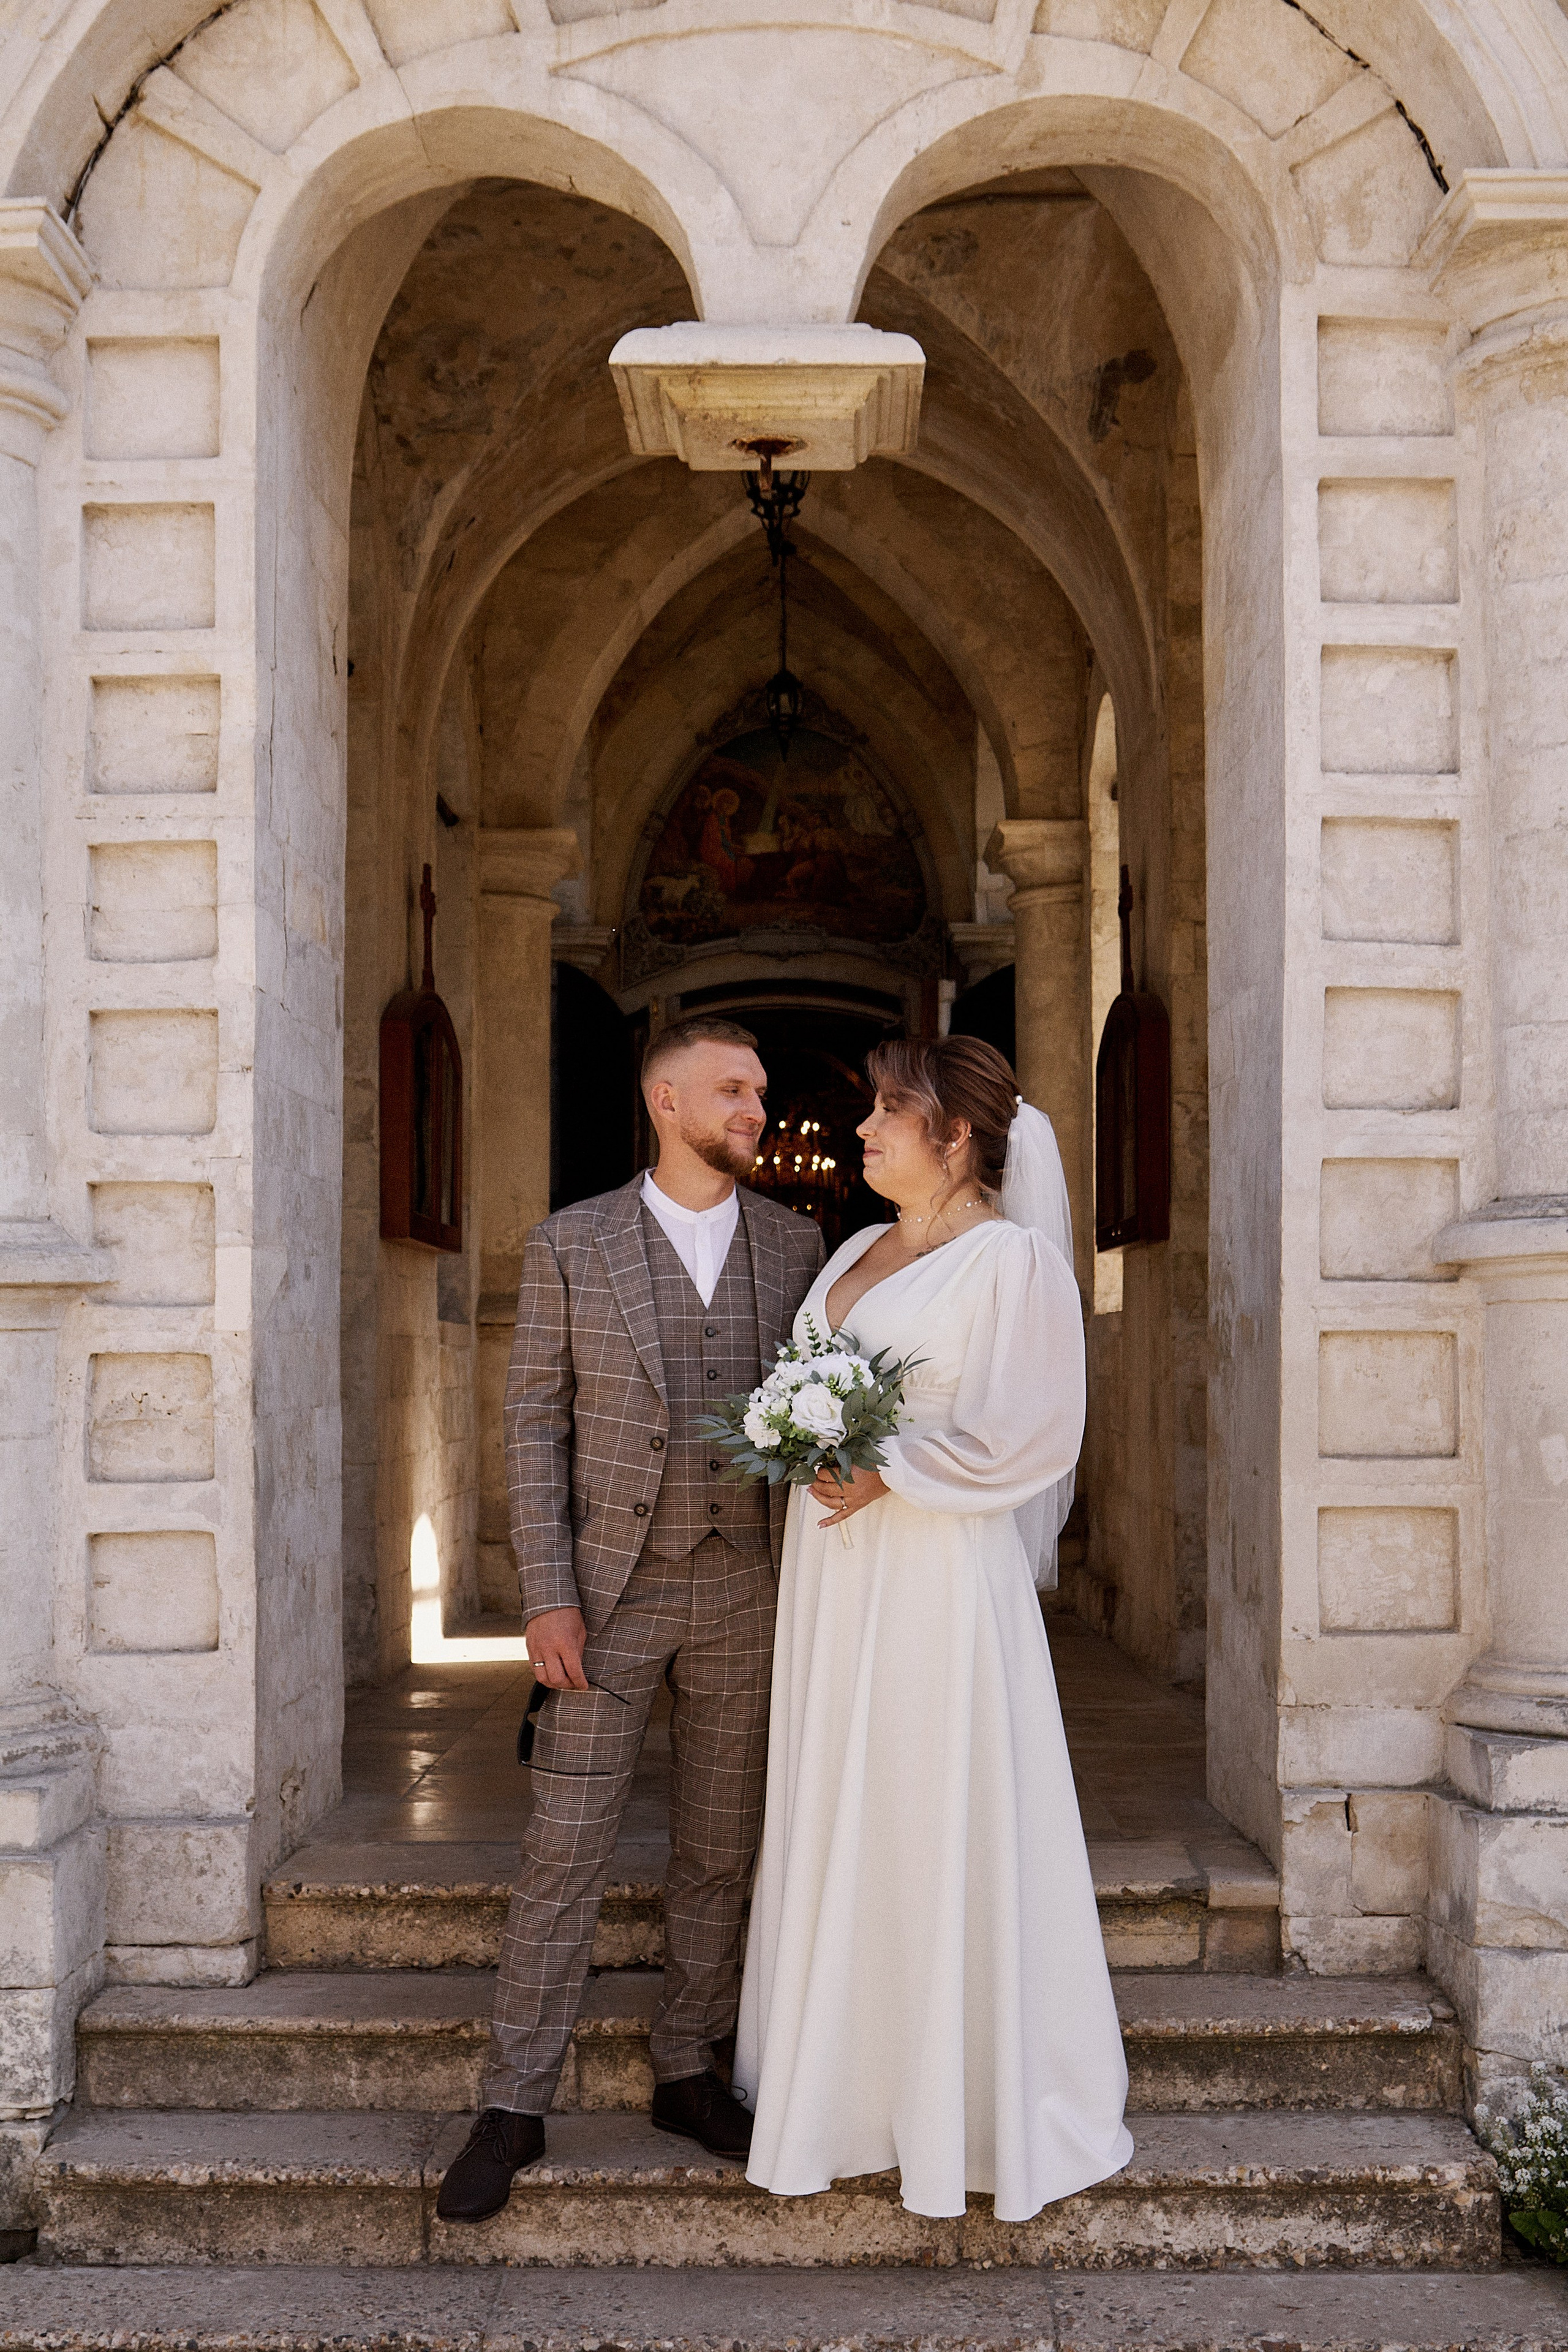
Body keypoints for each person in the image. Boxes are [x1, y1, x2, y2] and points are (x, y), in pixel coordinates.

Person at [734, 1034, 1133, 2222]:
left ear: (953, 1136)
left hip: (932, 1585)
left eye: (886, 1114)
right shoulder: (854, 1246)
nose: (860, 1132)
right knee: (833, 1799)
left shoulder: (1011, 1265)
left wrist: (888, 1469)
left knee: (922, 1806)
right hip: (834, 1577)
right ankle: (838, 2090)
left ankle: (954, 2101)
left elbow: (1033, 1435)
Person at [437, 1016, 824, 2223]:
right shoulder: (569, 1244)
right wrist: (544, 1593)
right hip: (604, 1598)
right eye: (734, 1089)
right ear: (667, 1101)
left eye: (759, 1090)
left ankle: (685, 2068)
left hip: (746, 1588)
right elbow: (531, 1426)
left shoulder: (798, 1244)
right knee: (565, 1851)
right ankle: (512, 2100)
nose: (756, 1109)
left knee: (719, 1851)